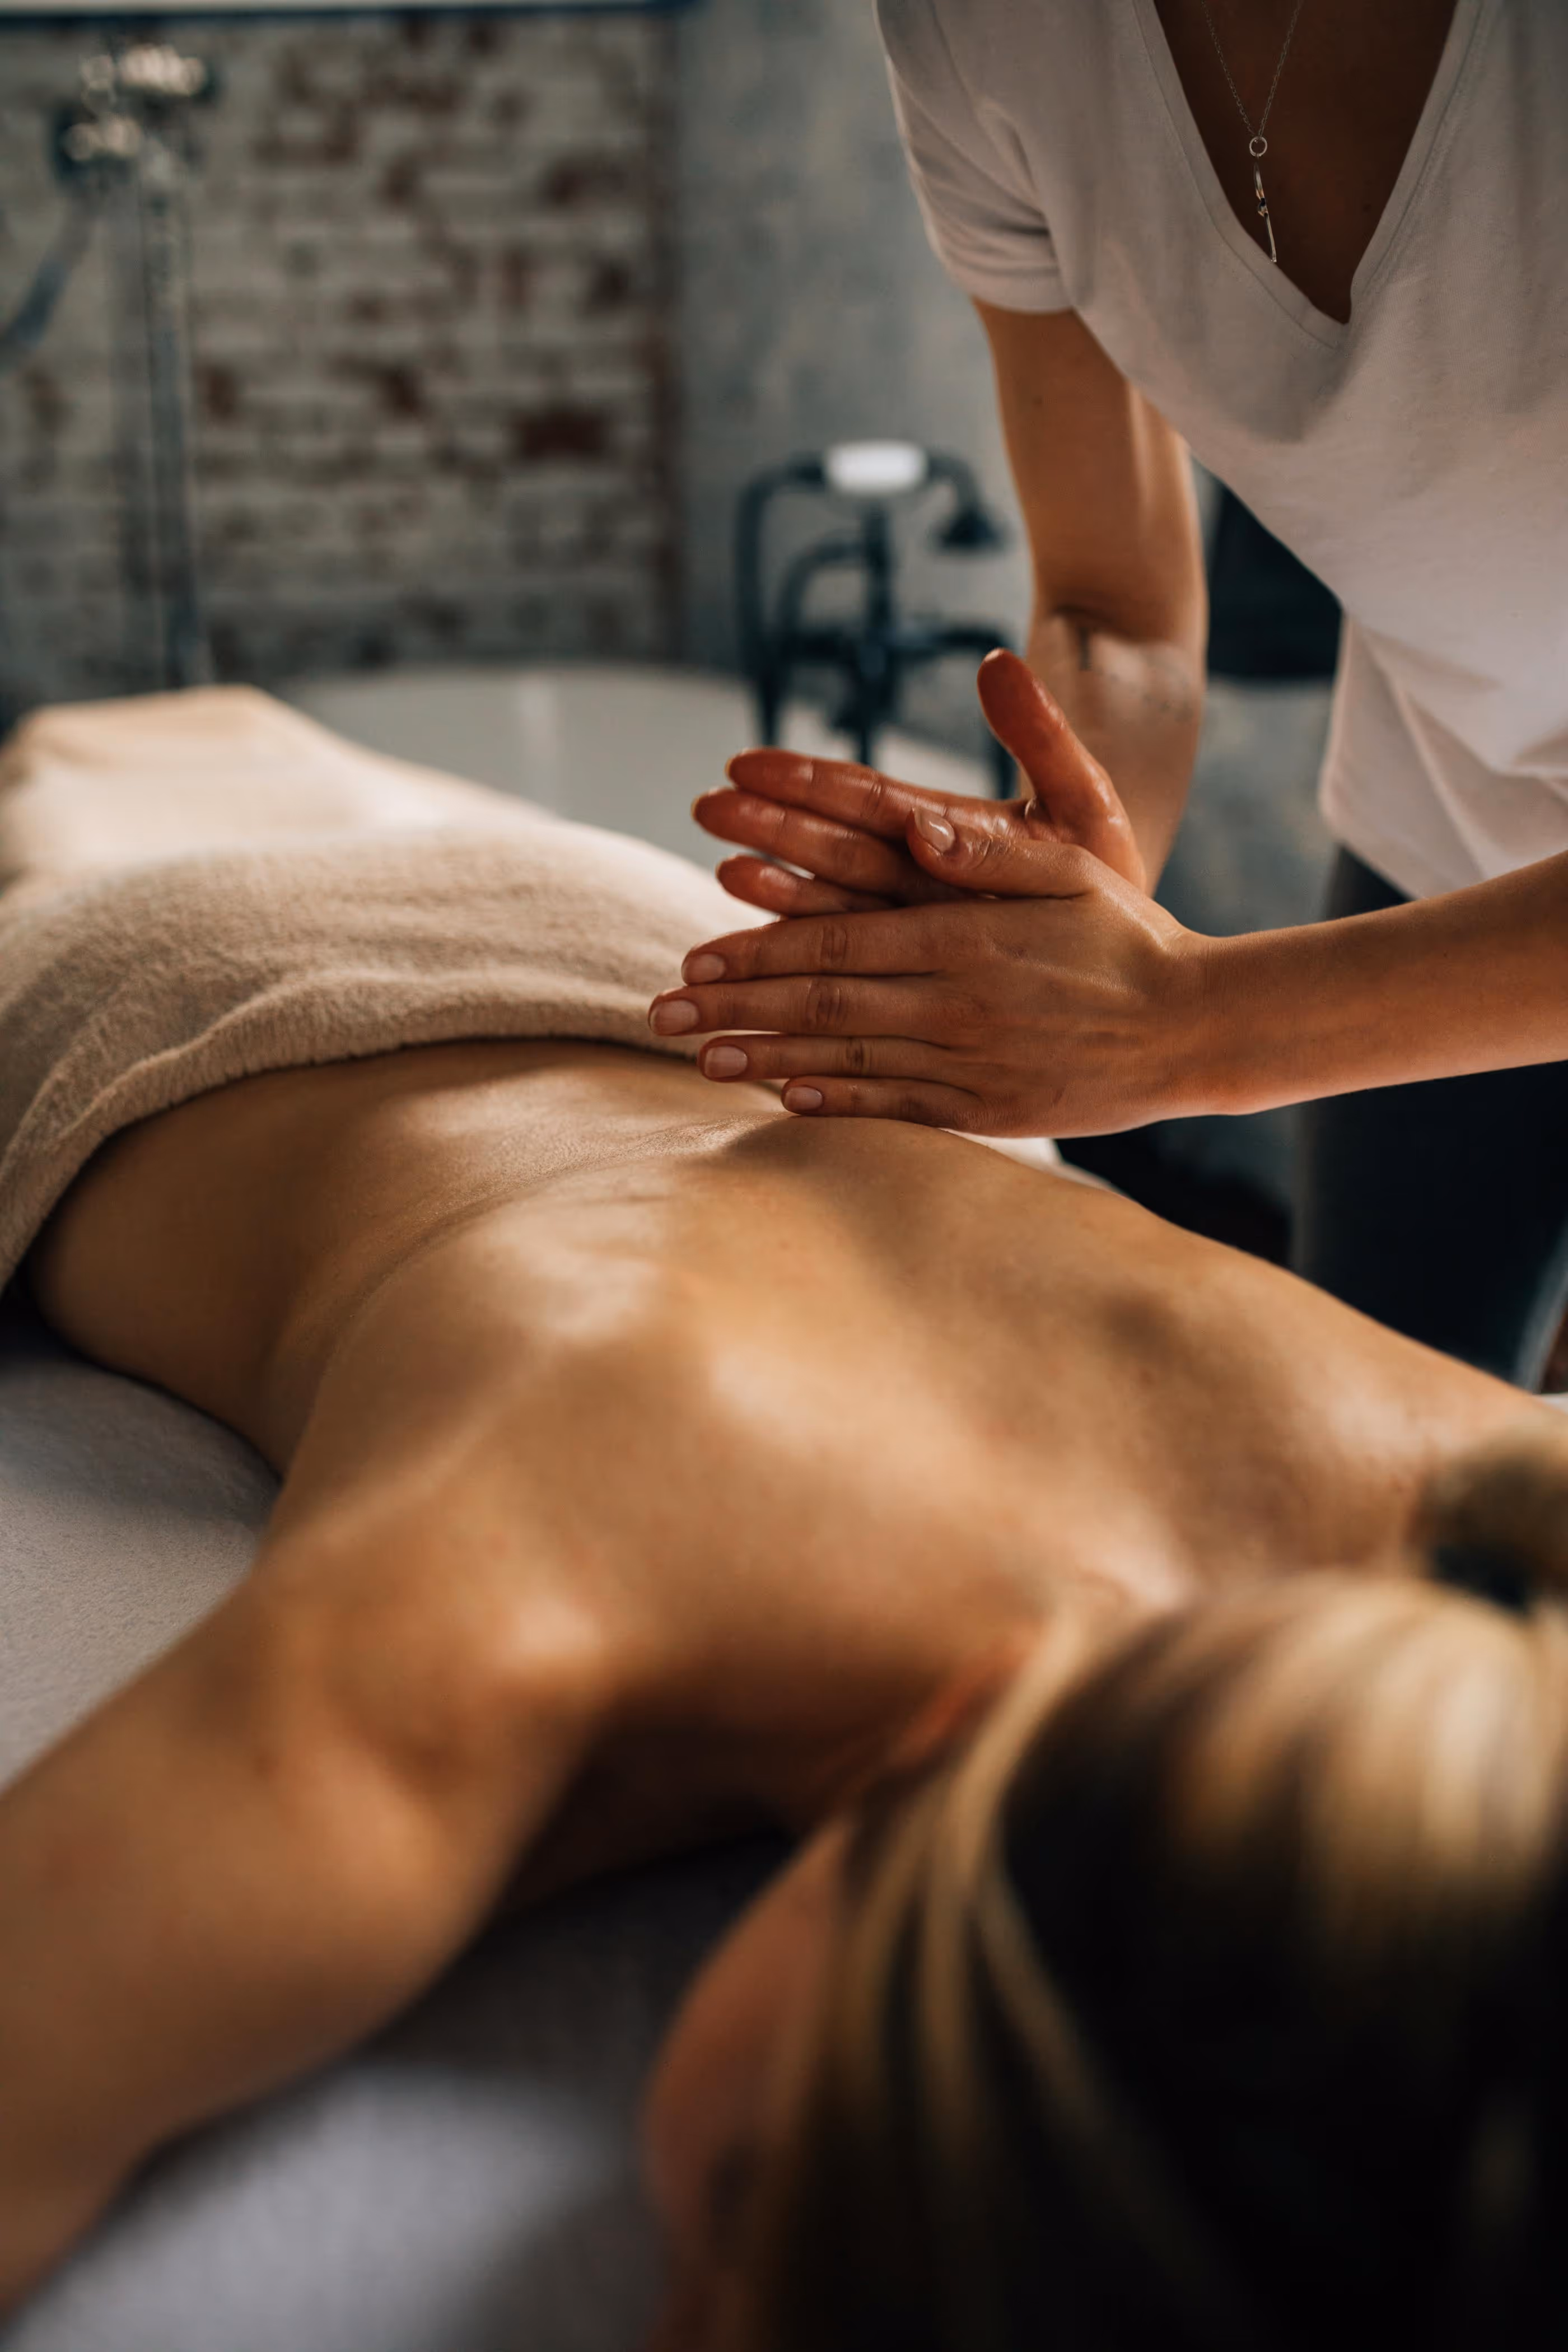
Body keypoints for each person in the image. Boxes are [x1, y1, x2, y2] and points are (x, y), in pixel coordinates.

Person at [4, 696, 1568, 2345]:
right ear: (935, 1755)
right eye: (744, 2213)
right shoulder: (512, 1603)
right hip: (241, 984)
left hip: (745, 1004)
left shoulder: (1493, 1528)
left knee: (208, 743)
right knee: (96, 755)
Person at [654, 0, 1568, 1392]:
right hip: (1441, 812)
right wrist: (1054, 868)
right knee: (1383, 1471)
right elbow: (1114, 613)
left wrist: (1178, 1021)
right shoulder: (981, 40)